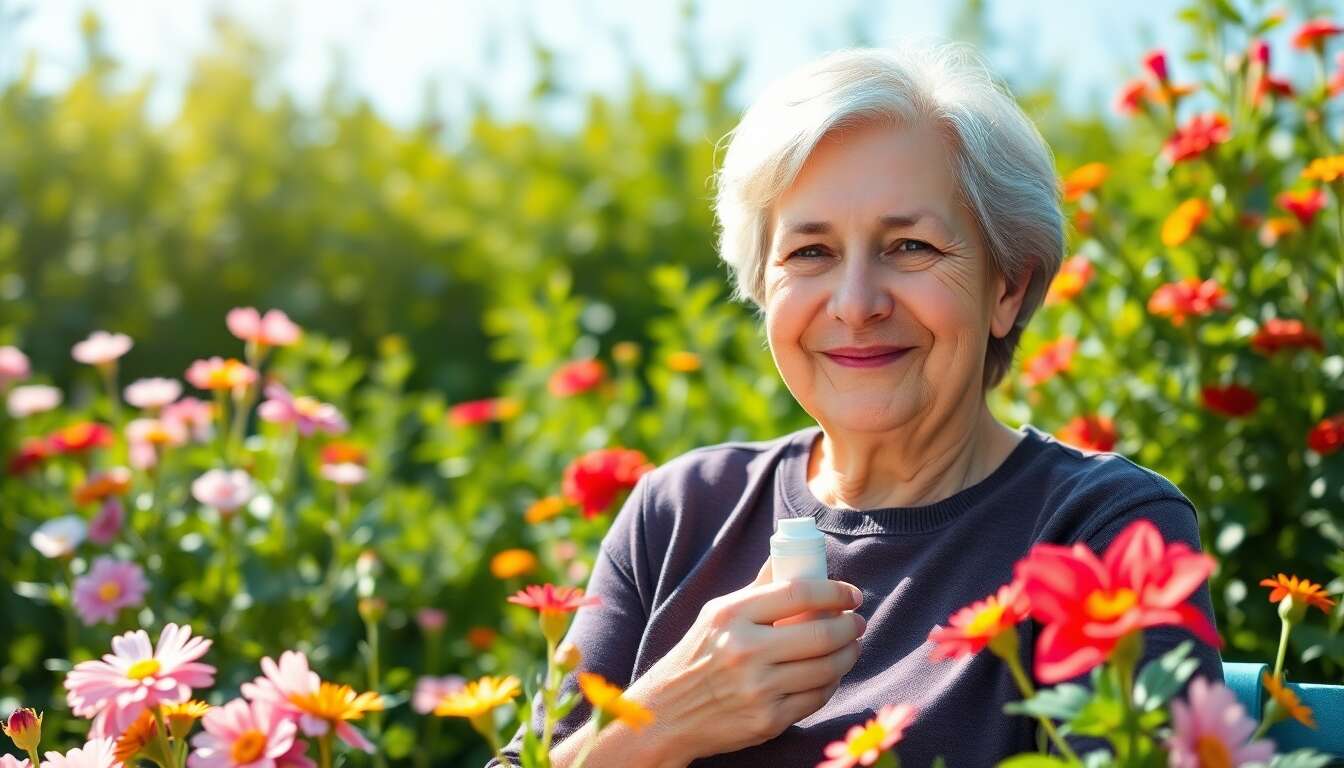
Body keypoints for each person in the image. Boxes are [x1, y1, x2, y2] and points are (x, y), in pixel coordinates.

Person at [489, 41, 1222, 767]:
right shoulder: (677, 512)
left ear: (1008, 288)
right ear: (761, 285)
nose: (857, 303)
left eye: (909, 246)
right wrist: (660, 724)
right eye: (810, 253)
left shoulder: (1102, 532)